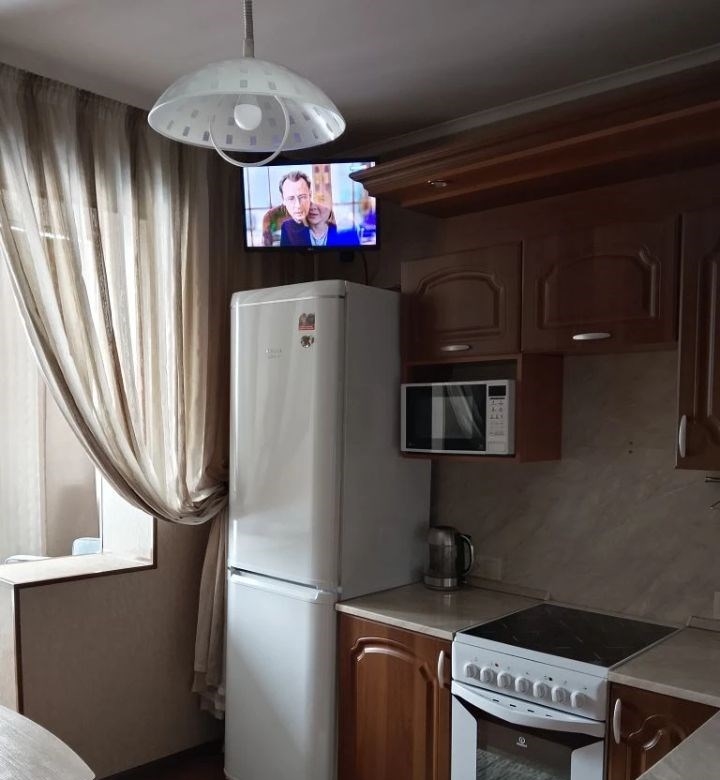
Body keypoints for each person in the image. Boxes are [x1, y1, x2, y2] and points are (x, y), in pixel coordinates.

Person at [279, 171, 312, 247]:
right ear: (283, 200)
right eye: (291, 199)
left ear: (310, 195)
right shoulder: (286, 226)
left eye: (302, 197)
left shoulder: (324, 222)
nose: (298, 205)